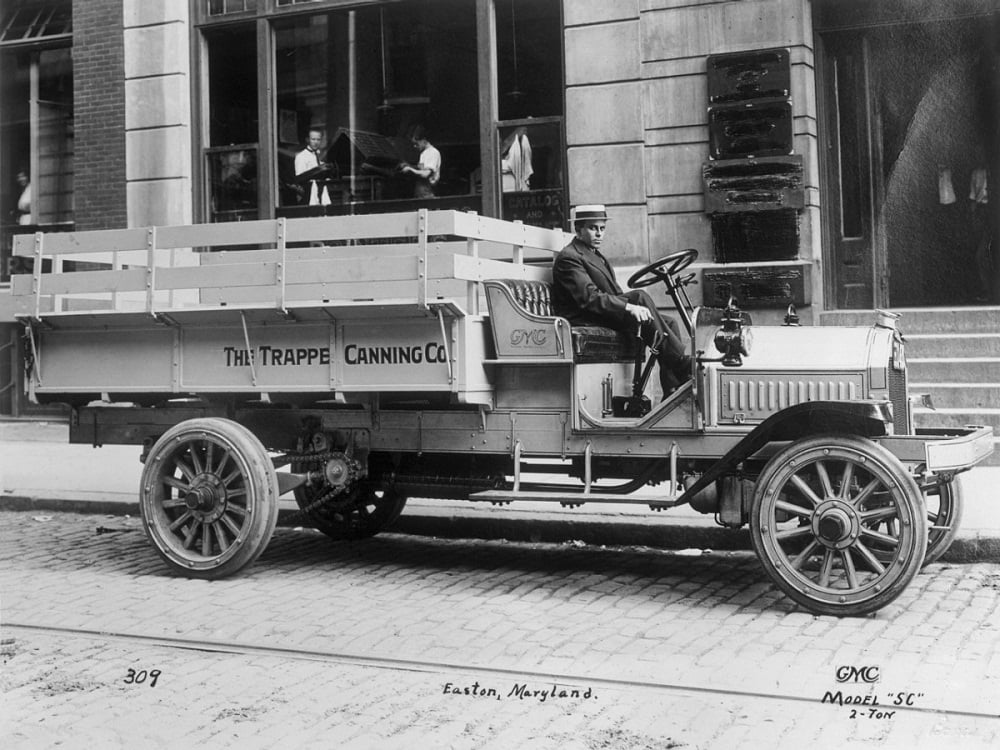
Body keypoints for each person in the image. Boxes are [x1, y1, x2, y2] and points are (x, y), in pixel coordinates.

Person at [552, 204, 692, 397]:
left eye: (602, 229)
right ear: (578, 229)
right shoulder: (570, 257)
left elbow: (614, 293)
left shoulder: (596, 256)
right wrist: (629, 307)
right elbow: (588, 298)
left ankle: (672, 390)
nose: (599, 234)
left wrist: (629, 306)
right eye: (593, 228)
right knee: (638, 296)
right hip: (584, 317)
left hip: (600, 313)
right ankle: (681, 364)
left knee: (669, 321)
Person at [400, 125, 441, 198]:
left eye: (416, 143)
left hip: (427, 192)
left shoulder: (433, 152)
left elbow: (425, 174)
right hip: (420, 191)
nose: (415, 146)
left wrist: (410, 169)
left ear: (424, 141)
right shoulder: (423, 153)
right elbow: (421, 168)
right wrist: (409, 165)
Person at [295, 129, 332, 206]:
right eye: (313, 139)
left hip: (322, 191)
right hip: (309, 194)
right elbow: (300, 178)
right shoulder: (301, 156)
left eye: (318, 139)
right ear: (308, 140)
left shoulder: (320, 155)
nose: (316, 142)